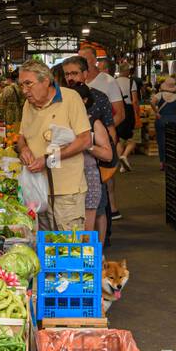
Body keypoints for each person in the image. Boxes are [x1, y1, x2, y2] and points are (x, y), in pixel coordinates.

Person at [16, 59, 90, 231]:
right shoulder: (28, 104)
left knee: (67, 247)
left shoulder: (70, 98)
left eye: (29, 84)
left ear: (46, 80)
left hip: (67, 192)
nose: (24, 90)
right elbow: (21, 137)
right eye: (21, 85)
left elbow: (85, 139)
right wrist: (24, 148)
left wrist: (48, 159)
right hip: (38, 190)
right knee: (44, 244)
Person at [62, 56, 115, 241]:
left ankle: (97, 251)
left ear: (85, 74)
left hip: (92, 172)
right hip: (67, 174)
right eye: (67, 73)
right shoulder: (61, 99)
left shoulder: (99, 100)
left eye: (74, 73)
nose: (70, 77)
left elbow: (110, 136)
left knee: (96, 212)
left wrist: (107, 165)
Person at [81, 46, 124, 218]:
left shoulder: (107, 82)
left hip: (102, 140)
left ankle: (112, 210)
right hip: (83, 144)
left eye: (85, 58)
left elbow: (120, 113)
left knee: (106, 180)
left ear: (94, 60)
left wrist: (102, 134)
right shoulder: (77, 84)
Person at [153, 75, 176, 167]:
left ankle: (162, 162)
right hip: (174, 120)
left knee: (161, 141)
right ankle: (171, 162)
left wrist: (156, 112)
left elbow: (152, 102)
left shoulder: (159, 95)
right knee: (173, 142)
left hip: (162, 119)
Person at [115, 62, 139, 170]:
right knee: (133, 139)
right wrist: (137, 114)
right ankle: (124, 156)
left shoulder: (114, 82)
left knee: (119, 139)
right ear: (126, 71)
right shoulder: (131, 82)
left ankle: (121, 165)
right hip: (128, 112)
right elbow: (134, 101)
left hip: (117, 111)